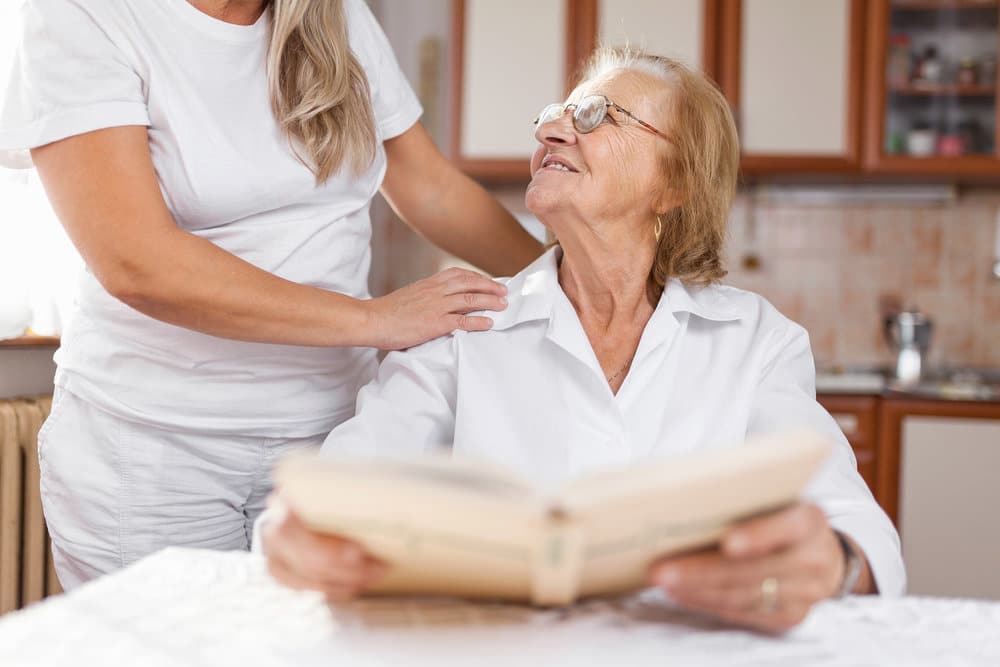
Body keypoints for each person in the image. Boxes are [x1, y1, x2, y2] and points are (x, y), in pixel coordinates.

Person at [260, 48, 906, 633]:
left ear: (675, 185)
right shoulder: (462, 322)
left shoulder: (753, 339)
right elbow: (334, 487)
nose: (550, 129)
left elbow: (854, 526)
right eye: (555, 115)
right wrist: (300, 535)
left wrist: (835, 563)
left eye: (600, 114)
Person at [0, 0, 541, 589]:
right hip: (157, 452)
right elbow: (137, 262)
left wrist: (565, 278)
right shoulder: (82, 13)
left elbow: (430, 188)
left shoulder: (335, 15)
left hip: (331, 439)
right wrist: (375, 320)